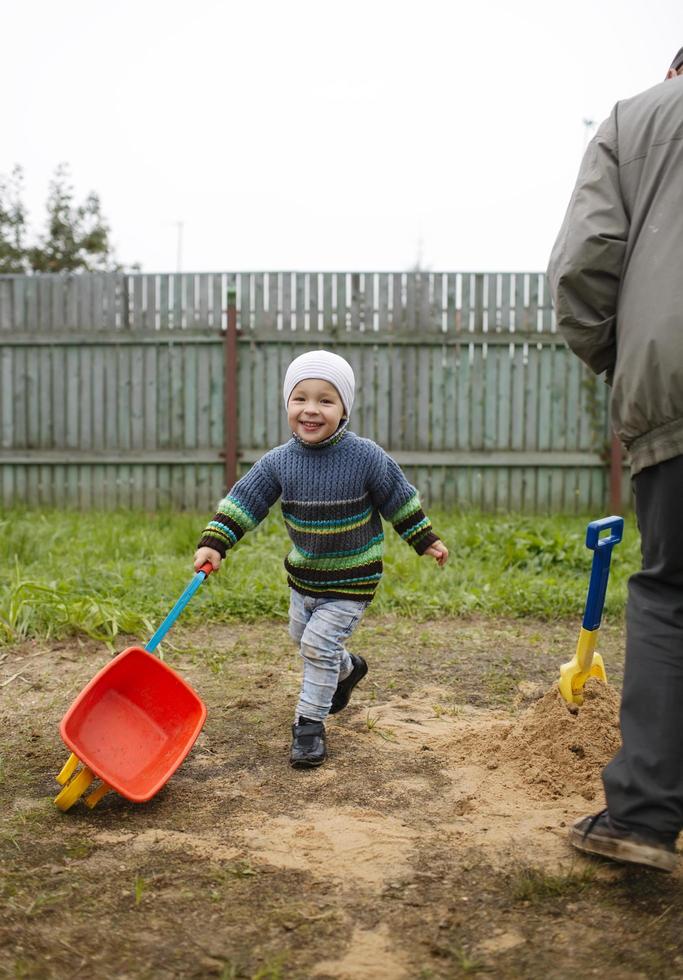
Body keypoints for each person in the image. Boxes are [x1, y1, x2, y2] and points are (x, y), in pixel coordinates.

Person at [547, 47, 683, 873]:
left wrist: (622, 357)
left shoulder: (638, 120)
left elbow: (584, 266)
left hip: (675, 391)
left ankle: (640, 814)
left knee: (671, 595)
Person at [194, 349, 449, 769]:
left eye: (325, 400)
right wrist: (215, 541)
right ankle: (348, 670)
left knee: (316, 645)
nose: (311, 410)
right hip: (305, 579)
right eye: (300, 399)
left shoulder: (366, 456)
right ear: (287, 404)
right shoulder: (278, 462)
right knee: (305, 639)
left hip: (352, 579)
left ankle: (309, 726)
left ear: (344, 407)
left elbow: (398, 501)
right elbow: (245, 501)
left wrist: (424, 539)